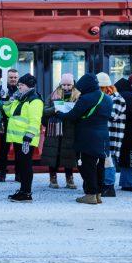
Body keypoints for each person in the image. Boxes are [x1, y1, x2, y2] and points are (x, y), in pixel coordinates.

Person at [58, 73, 112, 204]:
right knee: (100, 166)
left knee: (88, 166)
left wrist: (59, 113)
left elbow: (72, 115)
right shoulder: (107, 98)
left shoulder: (86, 98)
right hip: (103, 137)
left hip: (87, 138)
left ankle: (90, 194)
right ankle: (98, 193)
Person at [3, 73, 43, 202]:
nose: (18, 87)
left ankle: (26, 193)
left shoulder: (34, 100)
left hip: (26, 139)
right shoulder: (21, 98)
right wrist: (9, 102)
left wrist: (29, 136)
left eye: (21, 85)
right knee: (21, 165)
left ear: (29, 86)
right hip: (17, 139)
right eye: (18, 85)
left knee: (26, 166)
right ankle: (22, 190)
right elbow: (9, 113)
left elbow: (35, 120)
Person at [41, 73, 80, 189]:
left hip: (70, 130)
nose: (66, 87)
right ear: (60, 84)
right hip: (54, 130)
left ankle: (69, 178)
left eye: (69, 85)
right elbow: (43, 111)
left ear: (73, 85)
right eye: (64, 85)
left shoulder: (78, 96)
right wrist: (55, 109)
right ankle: (53, 178)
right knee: (54, 154)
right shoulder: (53, 95)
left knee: (69, 154)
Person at [99, 72, 125, 198]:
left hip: (113, 136)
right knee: (105, 161)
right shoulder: (108, 98)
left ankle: (109, 187)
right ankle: (104, 184)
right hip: (105, 134)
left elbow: (112, 116)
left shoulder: (118, 99)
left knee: (111, 162)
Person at [0, 68, 20, 182]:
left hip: (17, 123)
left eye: (15, 77)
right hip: (4, 123)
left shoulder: (21, 90)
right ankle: (2, 173)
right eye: (11, 77)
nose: (13, 79)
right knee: (3, 150)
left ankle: (18, 174)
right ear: (6, 78)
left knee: (18, 149)